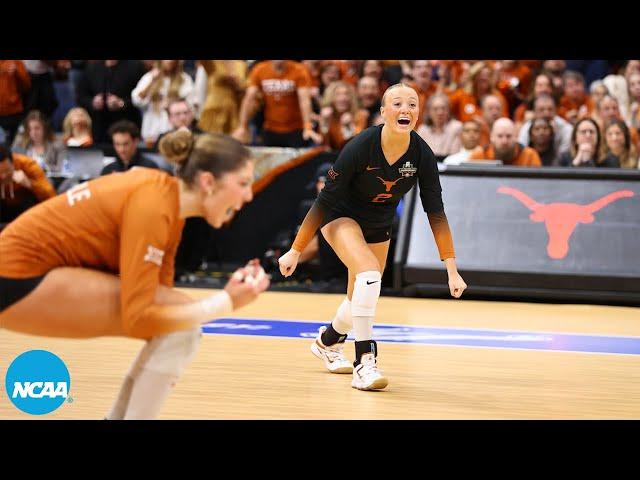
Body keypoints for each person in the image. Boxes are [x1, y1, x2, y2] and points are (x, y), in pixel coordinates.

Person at [0, 130, 269, 419]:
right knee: (183, 326)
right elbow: (138, 316)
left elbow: (157, 312)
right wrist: (226, 303)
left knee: (178, 327)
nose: (249, 194)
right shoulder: (153, 205)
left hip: (24, 269)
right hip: (17, 276)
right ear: (207, 182)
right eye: (242, 183)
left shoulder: (168, 203)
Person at [278, 83, 467, 391]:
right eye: (397, 104)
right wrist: (296, 250)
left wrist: (451, 268)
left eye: (412, 104)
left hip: (379, 223)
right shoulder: (360, 146)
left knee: (361, 295)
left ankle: (327, 343)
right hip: (340, 215)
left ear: (418, 113)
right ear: (383, 112)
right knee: (369, 275)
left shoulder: (422, 153)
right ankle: (364, 363)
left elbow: (436, 211)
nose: (405, 109)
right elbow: (324, 199)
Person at [0, 144, 56, 231]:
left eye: (6, 171)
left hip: (28, 219)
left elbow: (52, 197)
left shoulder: (28, 164)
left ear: (13, 162)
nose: (3, 176)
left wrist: (30, 184)